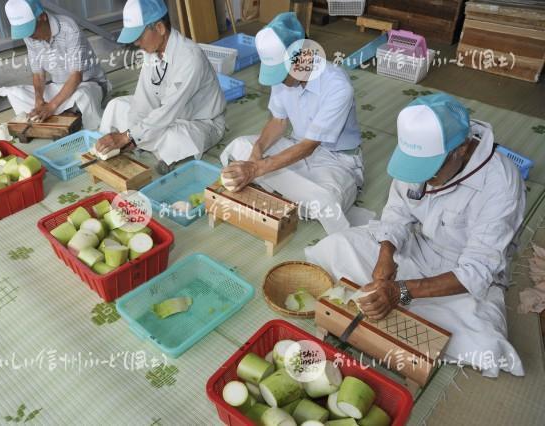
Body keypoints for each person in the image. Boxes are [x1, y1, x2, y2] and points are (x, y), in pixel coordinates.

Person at [305, 93, 526, 377]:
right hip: (420, 247)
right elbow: (397, 212)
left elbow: (477, 270)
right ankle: (396, 305)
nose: (422, 179)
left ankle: (400, 305)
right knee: (336, 246)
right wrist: (387, 254)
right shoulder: (420, 155)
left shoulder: (502, 183)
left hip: (466, 276)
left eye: (430, 172)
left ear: (460, 149)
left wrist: (401, 291)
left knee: (484, 347)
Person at [219, 13, 364, 235]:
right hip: (295, 148)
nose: (280, 80)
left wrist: (257, 168)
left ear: (305, 55)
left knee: (326, 200)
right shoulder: (285, 78)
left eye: (282, 72)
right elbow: (278, 121)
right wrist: (257, 151)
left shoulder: (338, 86)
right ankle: (289, 189)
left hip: (336, 160)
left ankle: (282, 188)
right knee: (241, 146)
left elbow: (310, 146)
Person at [95, 0, 226, 175]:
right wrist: (131, 135)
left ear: (160, 28)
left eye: (139, 37)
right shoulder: (152, 51)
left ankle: (153, 147)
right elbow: (144, 98)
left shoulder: (190, 58)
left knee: (175, 138)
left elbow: (169, 110)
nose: (137, 43)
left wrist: (128, 135)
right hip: (166, 113)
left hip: (200, 122)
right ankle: (140, 144)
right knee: (116, 105)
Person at [0, 0, 108, 130]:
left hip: (88, 84)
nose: (30, 37)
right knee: (15, 93)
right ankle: (64, 111)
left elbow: (76, 76)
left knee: (83, 97)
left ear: (43, 17)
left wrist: (51, 106)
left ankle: (63, 111)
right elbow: (38, 75)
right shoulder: (29, 36)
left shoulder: (68, 27)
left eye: (32, 31)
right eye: (26, 33)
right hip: (59, 86)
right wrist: (38, 100)